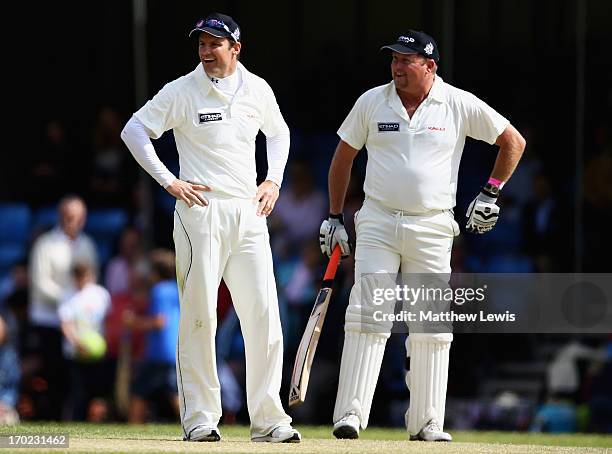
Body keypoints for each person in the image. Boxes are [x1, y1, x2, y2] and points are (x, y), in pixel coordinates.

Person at [319, 30, 526, 441]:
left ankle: (427, 423)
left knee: (430, 324)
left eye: (406, 59)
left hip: (432, 225)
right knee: (368, 313)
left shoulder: (457, 103)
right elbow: (343, 158)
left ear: (429, 66)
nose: (397, 66)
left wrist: (491, 192)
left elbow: (512, 141)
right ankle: (350, 416)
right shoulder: (372, 101)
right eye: (394, 59)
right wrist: (333, 216)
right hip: (377, 220)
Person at [121, 12, 299, 443]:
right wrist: (169, 181)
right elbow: (135, 130)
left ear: (235, 48)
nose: (205, 51)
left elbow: (279, 133)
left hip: (249, 213)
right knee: (199, 317)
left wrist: (273, 180)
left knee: (264, 317)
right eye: (201, 44)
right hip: (200, 212)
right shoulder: (182, 90)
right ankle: (200, 419)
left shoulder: (257, 89)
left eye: (214, 43)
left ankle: (269, 420)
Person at [27, 195, 98, 420]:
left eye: (77, 217)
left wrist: (79, 306)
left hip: (77, 325)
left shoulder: (87, 244)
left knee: (75, 379)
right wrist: (68, 302)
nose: (72, 221)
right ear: (60, 217)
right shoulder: (45, 244)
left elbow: (92, 278)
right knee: (51, 376)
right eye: (68, 217)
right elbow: (40, 284)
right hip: (48, 321)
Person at [123, 249, 180, 424]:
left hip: (159, 352)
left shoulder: (159, 290)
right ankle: (191, 424)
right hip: (174, 350)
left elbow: (159, 322)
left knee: (138, 391)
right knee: (174, 391)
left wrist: (133, 323)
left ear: (156, 272)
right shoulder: (176, 289)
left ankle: (133, 425)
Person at [58, 261, 111, 421]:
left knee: (99, 393)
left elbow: (108, 320)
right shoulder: (67, 296)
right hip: (76, 354)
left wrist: (106, 342)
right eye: (78, 276)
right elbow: (66, 324)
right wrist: (77, 343)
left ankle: (100, 423)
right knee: (78, 393)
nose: (81, 280)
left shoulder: (101, 294)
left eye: (84, 276)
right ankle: (77, 422)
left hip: (99, 353)